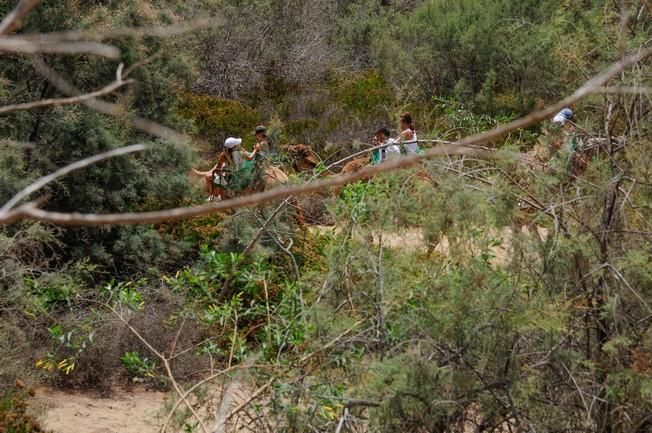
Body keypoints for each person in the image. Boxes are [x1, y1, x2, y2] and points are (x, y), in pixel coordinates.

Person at [205, 137, 258, 201]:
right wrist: (255, 149)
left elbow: (217, 169)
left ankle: (214, 196)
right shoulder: (240, 153)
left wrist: (223, 171)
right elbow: (250, 157)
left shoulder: (223, 155)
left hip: (229, 179)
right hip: (239, 177)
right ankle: (218, 195)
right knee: (220, 177)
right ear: (235, 147)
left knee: (208, 176)